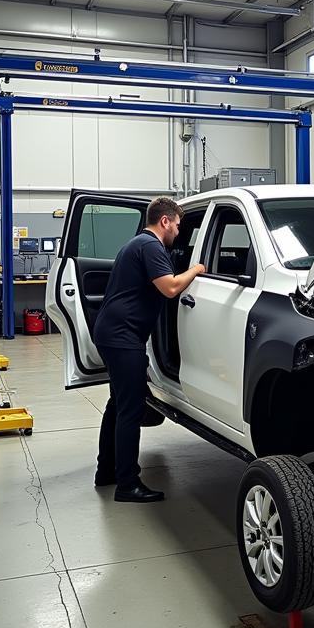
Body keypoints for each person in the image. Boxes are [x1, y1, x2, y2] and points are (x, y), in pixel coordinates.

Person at [93, 196, 204, 503]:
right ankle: (127, 484)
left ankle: (107, 471)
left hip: (112, 333)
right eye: (178, 225)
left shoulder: (136, 244)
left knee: (117, 404)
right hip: (122, 337)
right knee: (130, 409)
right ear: (164, 221)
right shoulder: (151, 246)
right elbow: (169, 288)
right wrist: (195, 269)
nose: (179, 233)